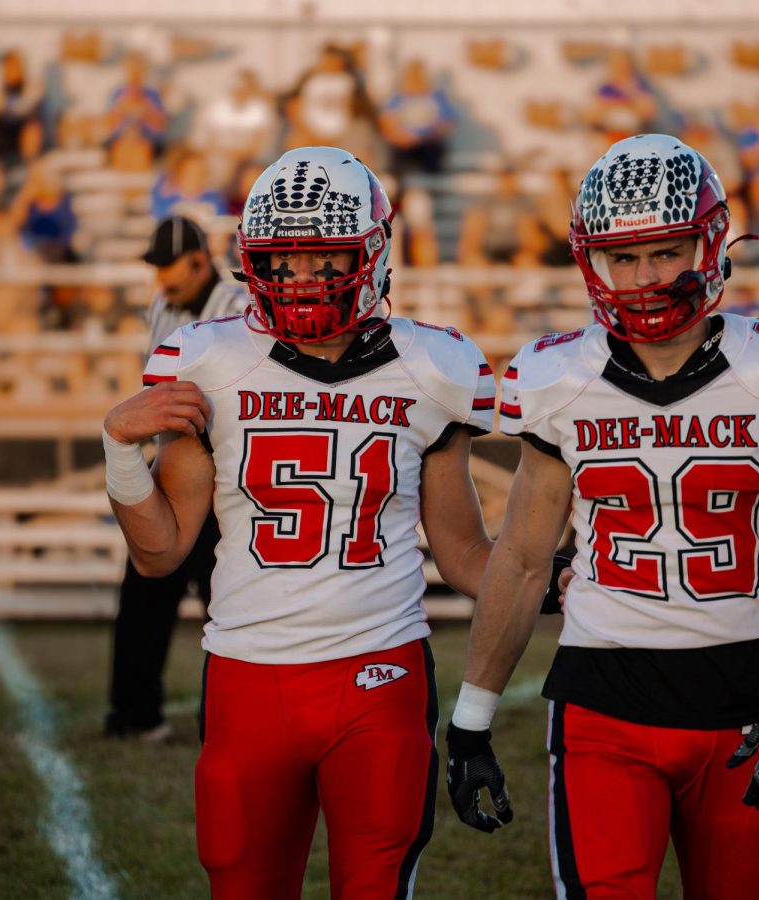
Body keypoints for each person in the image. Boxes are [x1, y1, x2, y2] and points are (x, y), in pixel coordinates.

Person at [446, 135, 759, 899]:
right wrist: (472, 718)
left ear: (710, 246)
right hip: (604, 705)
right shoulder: (556, 378)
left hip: (747, 702)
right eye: (624, 257)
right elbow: (519, 560)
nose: (645, 278)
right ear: (592, 262)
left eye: (668, 252)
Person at [102, 148, 499, 898]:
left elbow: (465, 551)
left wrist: (561, 576)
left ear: (372, 254)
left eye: (326, 258)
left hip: (378, 674)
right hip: (248, 678)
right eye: (283, 262)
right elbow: (159, 556)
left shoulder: (431, 364)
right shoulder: (208, 359)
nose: (303, 280)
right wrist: (119, 452)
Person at [103, 215, 249, 742]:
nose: (162, 277)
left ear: (199, 259)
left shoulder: (239, 307)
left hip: (223, 475)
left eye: (170, 266)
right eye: (157, 267)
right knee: (143, 592)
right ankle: (135, 713)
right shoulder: (162, 304)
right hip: (173, 462)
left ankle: (234, 720)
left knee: (229, 602)